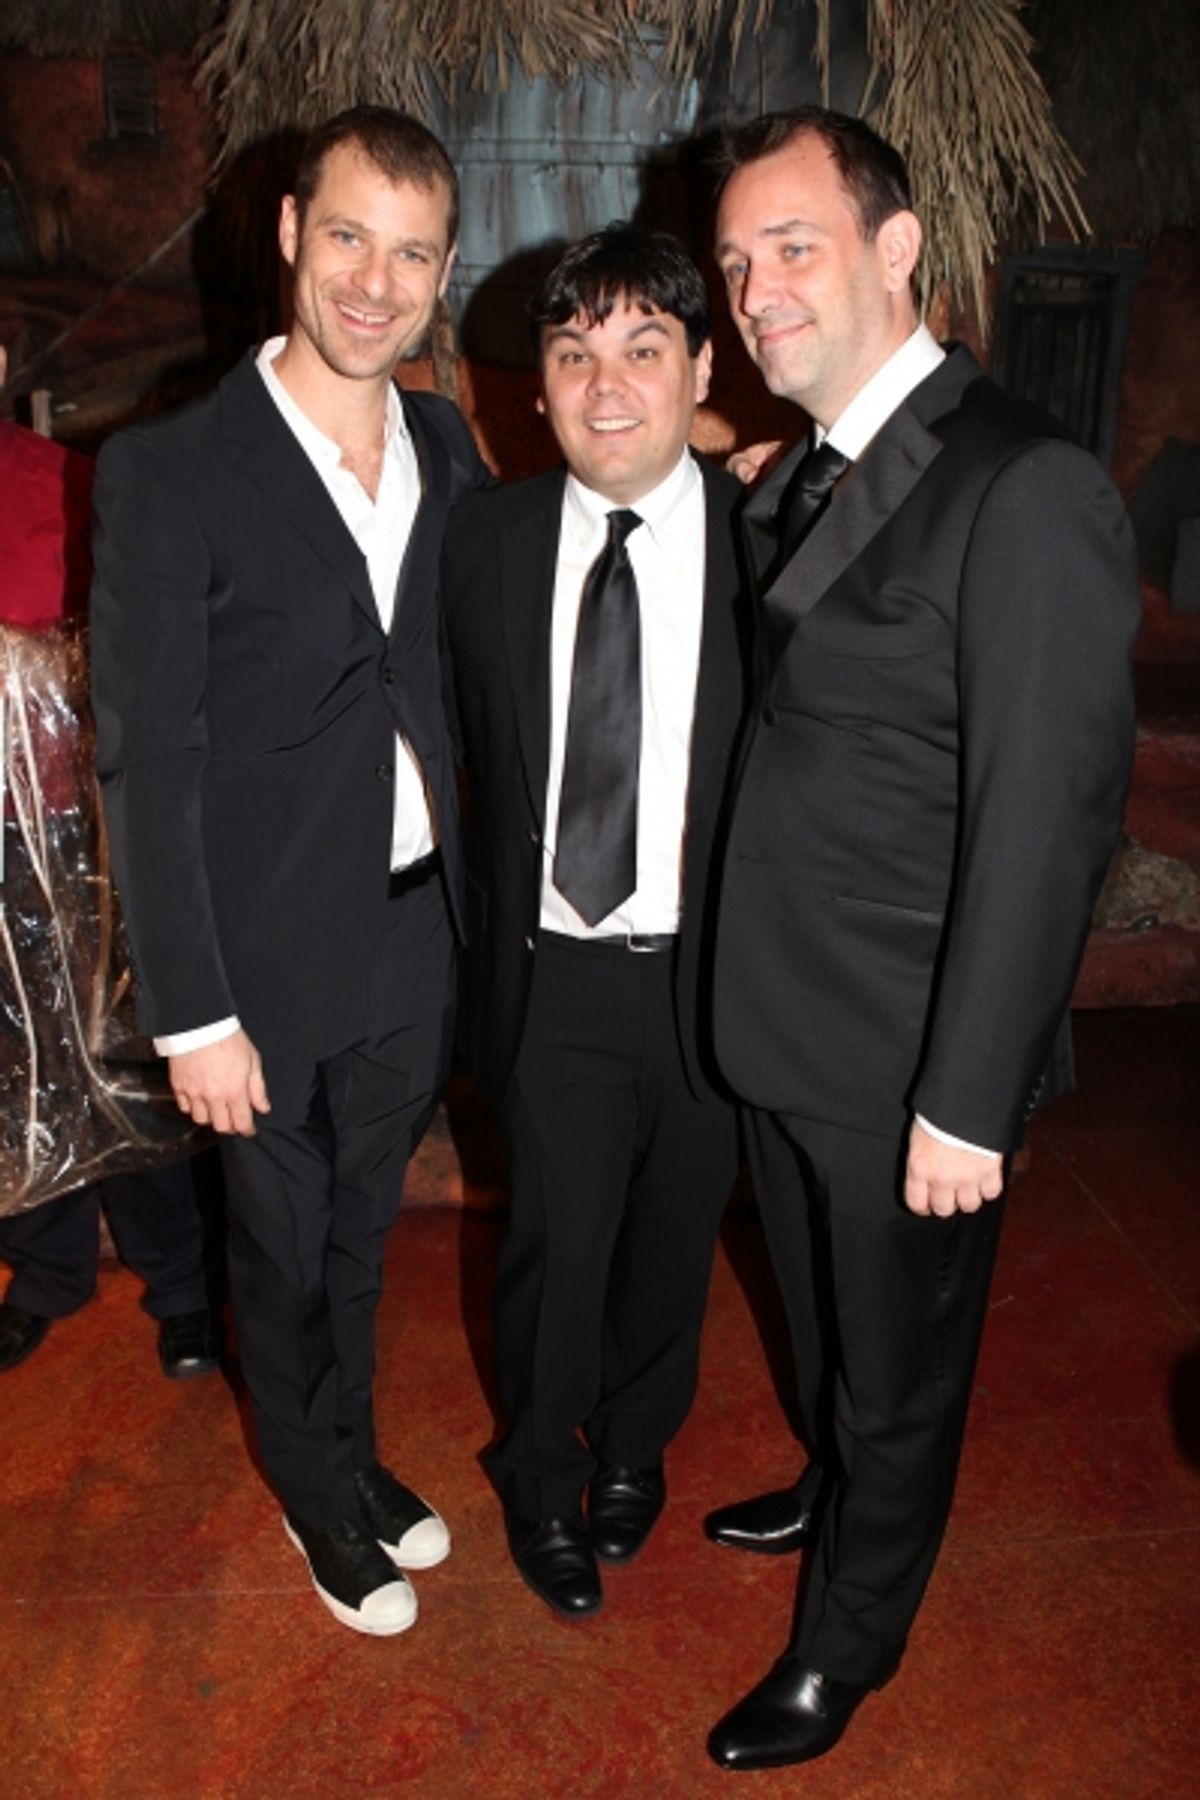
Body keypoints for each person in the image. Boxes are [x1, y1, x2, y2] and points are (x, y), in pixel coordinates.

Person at [704, 108, 1139, 1769]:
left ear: (897, 251)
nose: (757, 289)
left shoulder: (1026, 483)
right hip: (784, 1024)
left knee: (901, 1369)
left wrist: (971, 1096)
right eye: (736, 263)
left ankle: (852, 1640)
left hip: (908, 1054)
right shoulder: (815, 464)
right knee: (824, 1327)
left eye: (792, 247)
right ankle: (837, 1486)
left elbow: (1049, 820)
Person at [90, 107, 491, 1637]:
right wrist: (192, 1012)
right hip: (255, 960)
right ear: (287, 234)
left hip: (413, 935)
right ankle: (318, 1498)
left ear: (443, 272)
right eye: (348, 239)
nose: (375, 285)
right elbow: (148, 756)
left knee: (361, 1233)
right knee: (281, 1247)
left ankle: (354, 1452)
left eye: (411, 254)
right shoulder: (171, 468)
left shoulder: (444, 445)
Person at [442, 226, 747, 1618]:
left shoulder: (770, 537)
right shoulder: (484, 543)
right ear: (538, 384)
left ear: (701, 369)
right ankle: (537, 1481)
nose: (606, 385)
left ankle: (635, 1449)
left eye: (642, 349)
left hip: (712, 976)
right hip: (551, 972)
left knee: (675, 1242)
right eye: (574, 354)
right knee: (556, 1254)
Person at [0, 345, 217, 1381]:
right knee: (13, 1068)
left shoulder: (75, 483)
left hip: (75, 828)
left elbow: (140, 650)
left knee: (119, 1054)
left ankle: (181, 1281)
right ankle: (46, 1271)